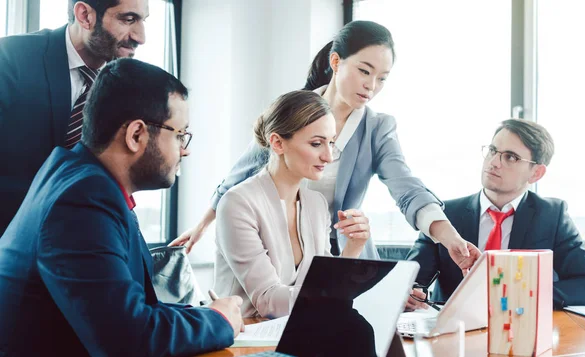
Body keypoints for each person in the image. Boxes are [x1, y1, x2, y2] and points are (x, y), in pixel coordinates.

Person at [171, 20, 480, 273]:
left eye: (382, 78)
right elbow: (240, 175)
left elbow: (408, 190)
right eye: (364, 70)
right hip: (284, 248)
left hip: (347, 252)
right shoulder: (293, 111)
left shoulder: (377, 128)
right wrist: (201, 226)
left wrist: (449, 237)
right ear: (336, 61)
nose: (371, 86)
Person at [0, 58, 243, 356]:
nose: (185, 149)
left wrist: (209, 315)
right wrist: (219, 320)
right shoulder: (83, 201)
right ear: (136, 134)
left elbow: (136, 309)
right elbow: (129, 338)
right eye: (179, 134)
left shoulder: (79, 178)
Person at [407, 119, 585, 310]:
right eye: (492, 151)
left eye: (510, 157)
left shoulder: (551, 216)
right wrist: (411, 294)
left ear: (536, 173)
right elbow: (411, 280)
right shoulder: (445, 216)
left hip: (520, 329)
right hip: (454, 331)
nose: (493, 162)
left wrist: (524, 296)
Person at [214, 90, 371, 318]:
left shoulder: (316, 205)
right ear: (277, 143)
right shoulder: (238, 203)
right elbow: (269, 301)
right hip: (244, 339)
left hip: (299, 333)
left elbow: (325, 284)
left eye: (331, 143)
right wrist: (335, 293)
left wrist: (353, 248)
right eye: (317, 144)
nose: (328, 157)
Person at [0, 0, 148, 235]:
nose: (141, 37)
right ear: (84, 15)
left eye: (143, 21)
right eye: (128, 19)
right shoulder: (11, 59)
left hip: (85, 239)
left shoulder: (126, 85)